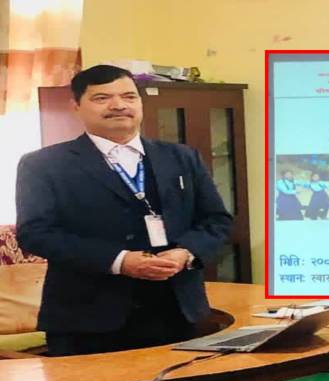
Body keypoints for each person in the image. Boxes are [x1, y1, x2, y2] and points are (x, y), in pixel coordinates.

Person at [15, 65, 233, 356]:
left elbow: (216, 220)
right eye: (102, 98)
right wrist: (120, 261)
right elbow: (36, 234)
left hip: (176, 309)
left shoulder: (181, 157)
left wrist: (185, 252)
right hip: (87, 318)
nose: (118, 105)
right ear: (76, 106)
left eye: (129, 96)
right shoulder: (44, 164)